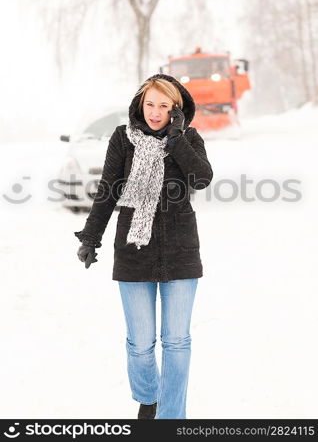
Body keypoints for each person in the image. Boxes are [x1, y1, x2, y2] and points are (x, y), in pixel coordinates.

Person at [74, 73, 213, 419]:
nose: (155, 112)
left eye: (164, 106)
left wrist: (176, 140)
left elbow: (201, 178)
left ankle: (170, 419)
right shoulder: (123, 139)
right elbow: (108, 190)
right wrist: (91, 236)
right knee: (140, 344)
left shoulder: (189, 138)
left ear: (176, 110)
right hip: (134, 250)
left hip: (180, 249)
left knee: (177, 342)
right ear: (140, 104)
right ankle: (148, 397)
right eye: (150, 104)